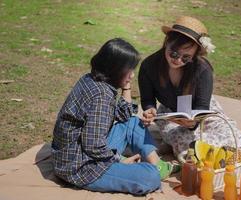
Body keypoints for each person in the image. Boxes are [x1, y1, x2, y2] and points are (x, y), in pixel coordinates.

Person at [51, 38, 174, 196]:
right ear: (115, 69)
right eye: (129, 70)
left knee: (132, 121)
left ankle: (156, 162)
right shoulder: (101, 96)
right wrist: (119, 160)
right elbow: (93, 145)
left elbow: (125, 115)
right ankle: (155, 170)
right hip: (80, 167)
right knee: (150, 177)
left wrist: (126, 85)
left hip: (80, 151)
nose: (132, 75)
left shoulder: (92, 78)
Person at [138, 16, 241, 159]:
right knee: (186, 145)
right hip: (169, 113)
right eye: (174, 53)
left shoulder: (203, 70)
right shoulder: (149, 66)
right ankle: (177, 144)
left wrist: (192, 123)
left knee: (233, 137)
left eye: (186, 57)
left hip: (202, 111)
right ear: (166, 42)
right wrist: (149, 109)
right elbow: (147, 99)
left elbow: (202, 106)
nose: (177, 60)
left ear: (195, 55)